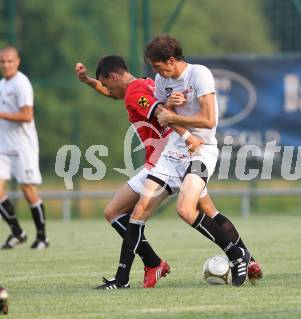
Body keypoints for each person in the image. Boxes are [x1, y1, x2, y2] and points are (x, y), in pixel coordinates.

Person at [75, 55, 261, 288]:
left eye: (106, 83)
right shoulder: (145, 83)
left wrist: (186, 134)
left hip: (165, 158)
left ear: (114, 76)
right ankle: (247, 258)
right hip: (176, 154)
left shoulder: (134, 93)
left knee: (116, 212)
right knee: (208, 211)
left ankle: (147, 266)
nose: (107, 89)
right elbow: (116, 94)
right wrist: (89, 81)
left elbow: (162, 115)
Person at [0, 46, 49, 250]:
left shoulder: (21, 83)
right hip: (3, 148)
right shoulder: (2, 84)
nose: (6, 65)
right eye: (2, 61)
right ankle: (18, 232)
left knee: (28, 191)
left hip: (23, 148)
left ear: (17, 61)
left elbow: (27, 115)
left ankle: (42, 237)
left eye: (10, 61)